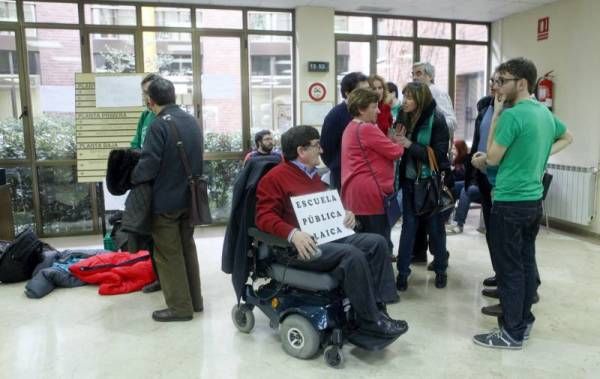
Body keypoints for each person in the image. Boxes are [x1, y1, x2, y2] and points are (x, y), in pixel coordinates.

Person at [256, 125, 407, 338]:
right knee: (351, 255)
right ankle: (370, 321)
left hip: (327, 238)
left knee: (377, 243)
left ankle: (379, 309)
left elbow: (322, 209)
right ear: (301, 151)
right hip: (296, 248)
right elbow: (263, 217)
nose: (322, 150)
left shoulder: (314, 177)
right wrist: (293, 233)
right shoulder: (274, 178)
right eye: (317, 146)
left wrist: (344, 214)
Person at [472, 57, 572, 349]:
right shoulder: (542, 112)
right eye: (497, 81)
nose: (498, 87)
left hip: (509, 201)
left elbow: (490, 157)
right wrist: (538, 155)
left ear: (522, 83)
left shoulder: (513, 116)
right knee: (526, 263)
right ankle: (524, 322)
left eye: (503, 81)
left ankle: (511, 332)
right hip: (532, 200)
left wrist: (499, 114)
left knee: (509, 269)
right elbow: (567, 136)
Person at [132, 78, 204, 322]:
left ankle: (179, 308)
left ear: (150, 101)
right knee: (187, 249)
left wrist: (132, 175)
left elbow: (149, 166)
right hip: (189, 198)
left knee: (168, 254)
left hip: (165, 201)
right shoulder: (192, 121)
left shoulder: (158, 124)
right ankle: (195, 301)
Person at [394, 82, 451, 291]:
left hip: (429, 184)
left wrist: (410, 145)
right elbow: (396, 140)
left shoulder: (436, 119)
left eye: (409, 97)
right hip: (409, 182)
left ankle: (441, 269)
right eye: (404, 97)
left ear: (421, 99)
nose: (405, 102)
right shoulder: (403, 116)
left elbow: (439, 155)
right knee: (408, 228)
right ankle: (402, 273)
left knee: (435, 229)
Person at [341, 88, 404, 254]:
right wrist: (399, 142)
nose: (378, 110)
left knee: (362, 243)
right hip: (370, 194)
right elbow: (395, 152)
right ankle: (379, 279)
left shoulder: (350, 127)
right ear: (361, 109)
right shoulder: (367, 128)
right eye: (374, 106)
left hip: (355, 193)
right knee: (378, 243)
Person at [410, 62, 457, 265]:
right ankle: (418, 253)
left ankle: (440, 258)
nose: (415, 77)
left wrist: (429, 123)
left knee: (433, 214)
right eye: (413, 73)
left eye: (419, 73)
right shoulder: (414, 95)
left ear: (430, 76)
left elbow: (451, 121)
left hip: (433, 160)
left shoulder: (436, 92)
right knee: (417, 213)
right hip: (416, 163)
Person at [320, 72, 369, 190]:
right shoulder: (335, 115)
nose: (367, 94)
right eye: (362, 90)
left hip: (364, 173)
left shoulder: (366, 111)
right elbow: (326, 150)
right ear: (347, 93)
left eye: (368, 89)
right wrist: (341, 167)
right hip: (343, 176)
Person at [131, 73, 160, 149]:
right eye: (144, 93)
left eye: (149, 93)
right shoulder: (145, 115)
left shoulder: (167, 118)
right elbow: (135, 145)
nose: (147, 97)